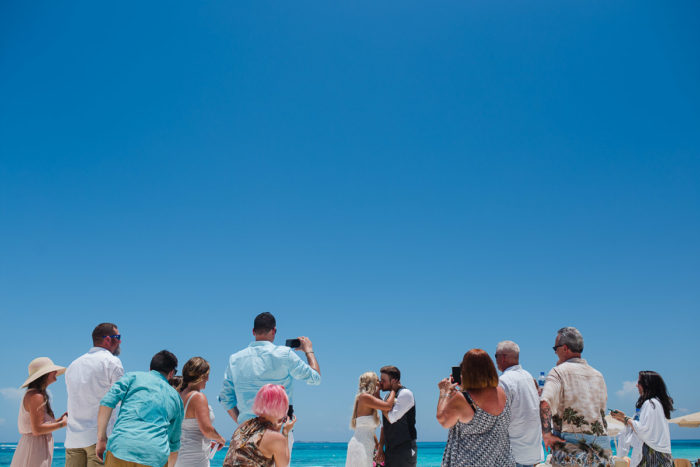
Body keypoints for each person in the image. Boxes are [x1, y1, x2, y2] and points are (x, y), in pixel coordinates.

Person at [219, 312, 321, 450]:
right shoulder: (285, 354)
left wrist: (242, 423)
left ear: (253, 331)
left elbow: (225, 398)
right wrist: (308, 351)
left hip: (246, 432)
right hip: (279, 431)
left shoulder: (235, 359)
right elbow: (315, 378)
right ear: (274, 331)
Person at [96, 350, 184, 467]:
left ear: (150, 368)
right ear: (171, 373)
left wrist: (101, 438)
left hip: (121, 447)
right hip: (154, 455)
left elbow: (108, 401)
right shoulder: (176, 398)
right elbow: (174, 443)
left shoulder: (132, 377)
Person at [539, 327, 612, 466]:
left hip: (572, 450)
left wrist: (546, 435)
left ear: (565, 348)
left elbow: (545, 403)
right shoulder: (598, 375)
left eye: (555, 348)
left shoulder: (558, 372)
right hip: (602, 452)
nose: (555, 352)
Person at [437, 349, 514, 467]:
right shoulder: (501, 392)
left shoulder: (462, 399)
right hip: (502, 461)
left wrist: (444, 392)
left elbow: (443, 420)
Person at [65, 323, 124, 467]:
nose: (120, 341)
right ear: (108, 340)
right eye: (118, 337)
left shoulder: (73, 365)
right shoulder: (112, 362)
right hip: (99, 438)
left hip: (73, 438)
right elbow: (119, 400)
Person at [11, 357, 68, 467]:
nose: (56, 372)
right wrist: (63, 424)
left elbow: (37, 424)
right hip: (35, 449)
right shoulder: (36, 396)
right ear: (45, 374)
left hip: (35, 447)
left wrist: (57, 421)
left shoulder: (36, 394)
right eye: (53, 370)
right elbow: (37, 429)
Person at [495, 340, 544, 467]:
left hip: (514, 453)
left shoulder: (504, 381)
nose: (495, 360)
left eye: (496, 356)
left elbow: (498, 417)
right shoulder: (528, 377)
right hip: (532, 452)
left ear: (503, 357)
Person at [222, 384, 296, 467]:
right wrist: (285, 433)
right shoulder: (276, 439)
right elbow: (283, 465)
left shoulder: (244, 425)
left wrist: (276, 430)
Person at [612, 371, 674, 467]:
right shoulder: (655, 403)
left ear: (647, 385)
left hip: (653, 453)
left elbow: (644, 430)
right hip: (656, 452)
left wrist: (625, 419)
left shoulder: (650, 404)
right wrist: (625, 420)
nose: (636, 385)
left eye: (639, 382)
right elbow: (644, 427)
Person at [175, 357, 226, 467]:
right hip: (195, 459)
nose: (208, 379)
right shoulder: (198, 397)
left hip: (181, 456)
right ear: (201, 376)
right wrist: (220, 439)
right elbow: (206, 429)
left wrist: (208, 442)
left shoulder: (181, 395)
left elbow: (188, 428)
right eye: (207, 375)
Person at [345, 372, 396, 467]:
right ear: (371, 382)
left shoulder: (369, 399)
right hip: (360, 445)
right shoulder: (365, 397)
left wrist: (378, 448)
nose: (380, 382)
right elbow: (388, 406)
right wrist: (394, 389)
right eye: (377, 380)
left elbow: (370, 430)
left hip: (368, 445)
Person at [376, 366, 417, 467]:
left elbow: (392, 418)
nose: (381, 383)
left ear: (394, 381)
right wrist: (380, 449)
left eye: (383, 380)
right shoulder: (387, 397)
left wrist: (378, 399)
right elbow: (384, 426)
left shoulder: (405, 394)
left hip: (405, 449)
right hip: (390, 450)